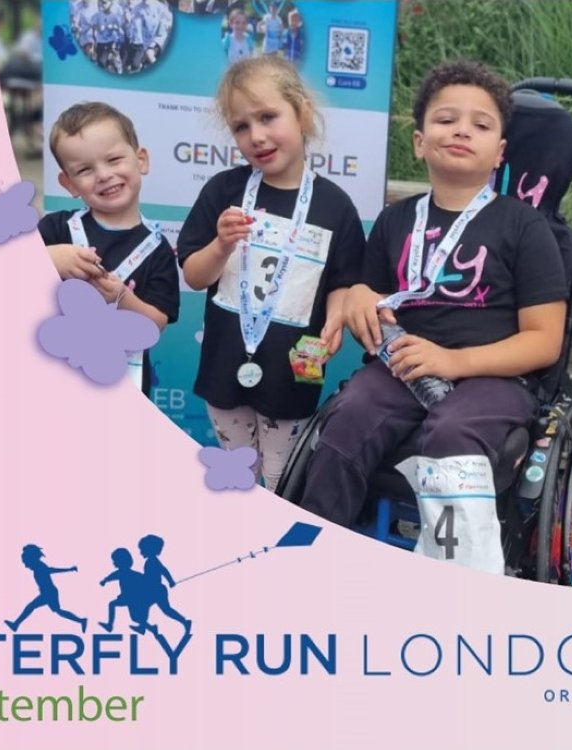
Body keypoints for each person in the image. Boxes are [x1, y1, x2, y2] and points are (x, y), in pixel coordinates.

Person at [299, 60, 568, 575]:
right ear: (420, 142)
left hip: (495, 376)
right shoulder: (396, 221)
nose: (463, 129)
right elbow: (371, 298)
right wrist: (358, 296)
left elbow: (544, 341)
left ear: (499, 153)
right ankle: (320, 568)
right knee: (348, 414)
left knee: (451, 434)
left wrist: (452, 360)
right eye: (446, 120)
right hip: (402, 369)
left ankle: (456, 586)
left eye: (481, 124)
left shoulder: (524, 227)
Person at [177, 56, 365, 492]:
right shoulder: (223, 191)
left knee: (282, 482)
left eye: (268, 117)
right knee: (236, 477)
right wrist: (221, 244)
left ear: (300, 113)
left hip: (294, 373)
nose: (256, 136)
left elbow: (343, 279)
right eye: (241, 126)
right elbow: (194, 275)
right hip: (225, 366)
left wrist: (334, 322)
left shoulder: (335, 205)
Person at [38, 101, 180, 394]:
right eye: (85, 170)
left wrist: (122, 297)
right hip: (52, 378)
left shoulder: (158, 249)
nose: (103, 175)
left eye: (114, 160)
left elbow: (156, 325)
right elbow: (2, 269)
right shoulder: (56, 229)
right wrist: (50, 258)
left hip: (122, 383)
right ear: (69, 184)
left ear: (141, 160)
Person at [5, 545, 87, 632]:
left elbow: (52, 570)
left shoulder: (40, 566)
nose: (25, 565)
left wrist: (69, 569)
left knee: (31, 606)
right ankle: (81, 620)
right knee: (57, 611)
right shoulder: (37, 567)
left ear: (32, 559)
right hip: (48, 592)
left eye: (26, 562)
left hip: (49, 593)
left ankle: (16, 624)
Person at [137, 535, 191, 635]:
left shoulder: (152, 561)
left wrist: (170, 580)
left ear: (149, 549)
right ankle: (185, 622)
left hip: (156, 590)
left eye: (142, 549)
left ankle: (142, 627)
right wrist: (170, 581)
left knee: (145, 606)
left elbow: (163, 570)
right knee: (166, 610)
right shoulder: (151, 561)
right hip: (156, 589)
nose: (140, 552)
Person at [98, 547, 153, 633]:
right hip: (129, 597)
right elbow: (113, 576)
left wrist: (105, 580)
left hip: (131, 598)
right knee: (135, 617)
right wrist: (105, 580)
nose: (113, 563)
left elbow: (113, 576)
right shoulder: (127, 572)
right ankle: (149, 628)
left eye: (115, 560)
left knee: (134, 616)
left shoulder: (124, 572)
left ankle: (110, 626)